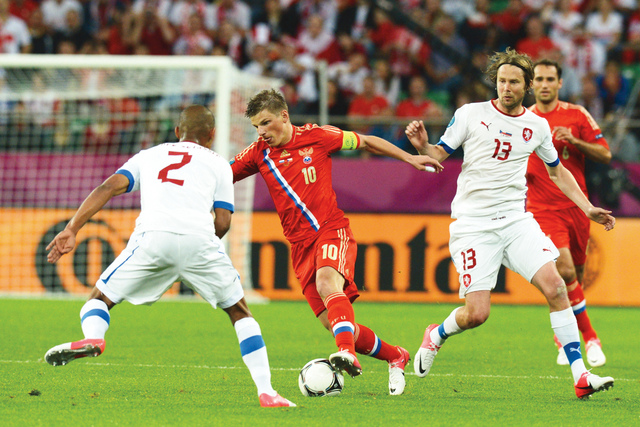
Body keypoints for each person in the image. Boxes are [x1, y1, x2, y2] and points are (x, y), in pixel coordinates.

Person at [43, 105, 295, 408]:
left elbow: (108, 187)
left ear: (177, 132)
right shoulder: (220, 164)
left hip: (153, 238)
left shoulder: (149, 155)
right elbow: (224, 221)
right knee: (239, 312)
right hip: (200, 240)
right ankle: (267, 392)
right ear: (212, 135)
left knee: (99, 299)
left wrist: (71, 228)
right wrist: (198, 249)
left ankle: (94, 338)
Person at [405, 48, 615, 399]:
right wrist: (424, 145)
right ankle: (436, 334)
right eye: (501, 81)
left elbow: (558, 171)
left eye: (514, 82)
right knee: (477, 314)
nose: (506, 87)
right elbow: (438, 154)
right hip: (474, 226)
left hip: (516, 221)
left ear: (526, 85)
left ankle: (581, 376)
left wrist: (587, 206)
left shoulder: (536, 126)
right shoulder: (471, 114)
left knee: (557, 287)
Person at [231, 89, 443, 395]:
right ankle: (396, 355)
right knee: (337, 325)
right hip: (300, 247)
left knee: (327, 283)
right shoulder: (258, 153)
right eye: (256, 127)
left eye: (265, 123)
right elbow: (223, 174)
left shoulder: (318, 136)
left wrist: (409, 158)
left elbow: (366, 141)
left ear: (284, 116)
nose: (261, 132)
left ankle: (347, 353)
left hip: (331, 230)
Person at [528, 58, 611, 367]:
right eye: (539, 79)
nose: (545, 84)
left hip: (577, 207)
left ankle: (562, 335)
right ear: (532, 84)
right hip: (542, 209)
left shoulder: (577, 115)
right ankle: (589, 337)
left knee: (575, 276)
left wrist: (575, 141)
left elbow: (605, 154)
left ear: (560, 83)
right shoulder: (523, 119)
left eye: (550, 79)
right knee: (563, 271)